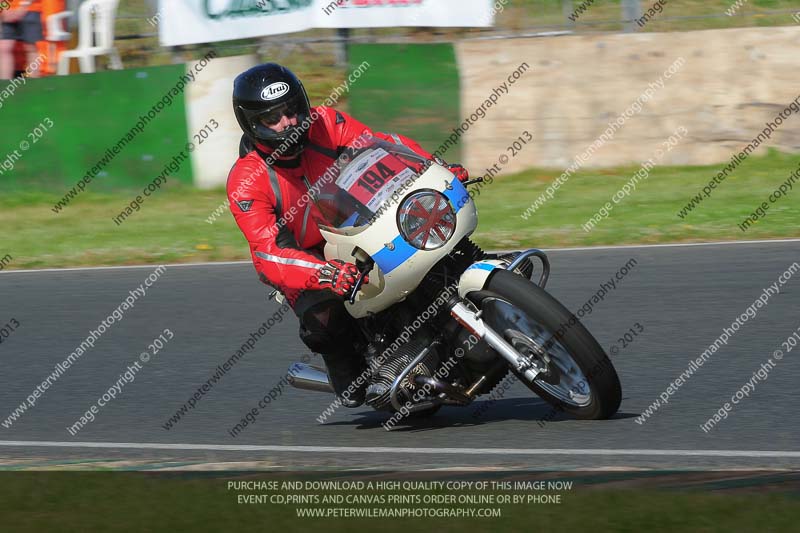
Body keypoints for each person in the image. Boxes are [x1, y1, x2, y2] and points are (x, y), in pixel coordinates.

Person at [227, 63, 470, 407]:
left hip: (355, 222)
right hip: (306, 257)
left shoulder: (326, 122)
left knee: (428, 235)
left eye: (293, 110)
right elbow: (268, 254)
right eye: (274, 118)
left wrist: (435, 169)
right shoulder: (246, 180)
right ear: (252, 124)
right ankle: (357, 377)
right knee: (324, 320)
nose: (289, 122)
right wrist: (324, 273)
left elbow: (385, 146)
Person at [0, 0, 43, 80]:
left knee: (30, 47)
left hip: (30, 8)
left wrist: (23, 7)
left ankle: (34, 83)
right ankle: (4, 84)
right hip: (7, 11)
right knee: (4, 48)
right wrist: (4, 9)